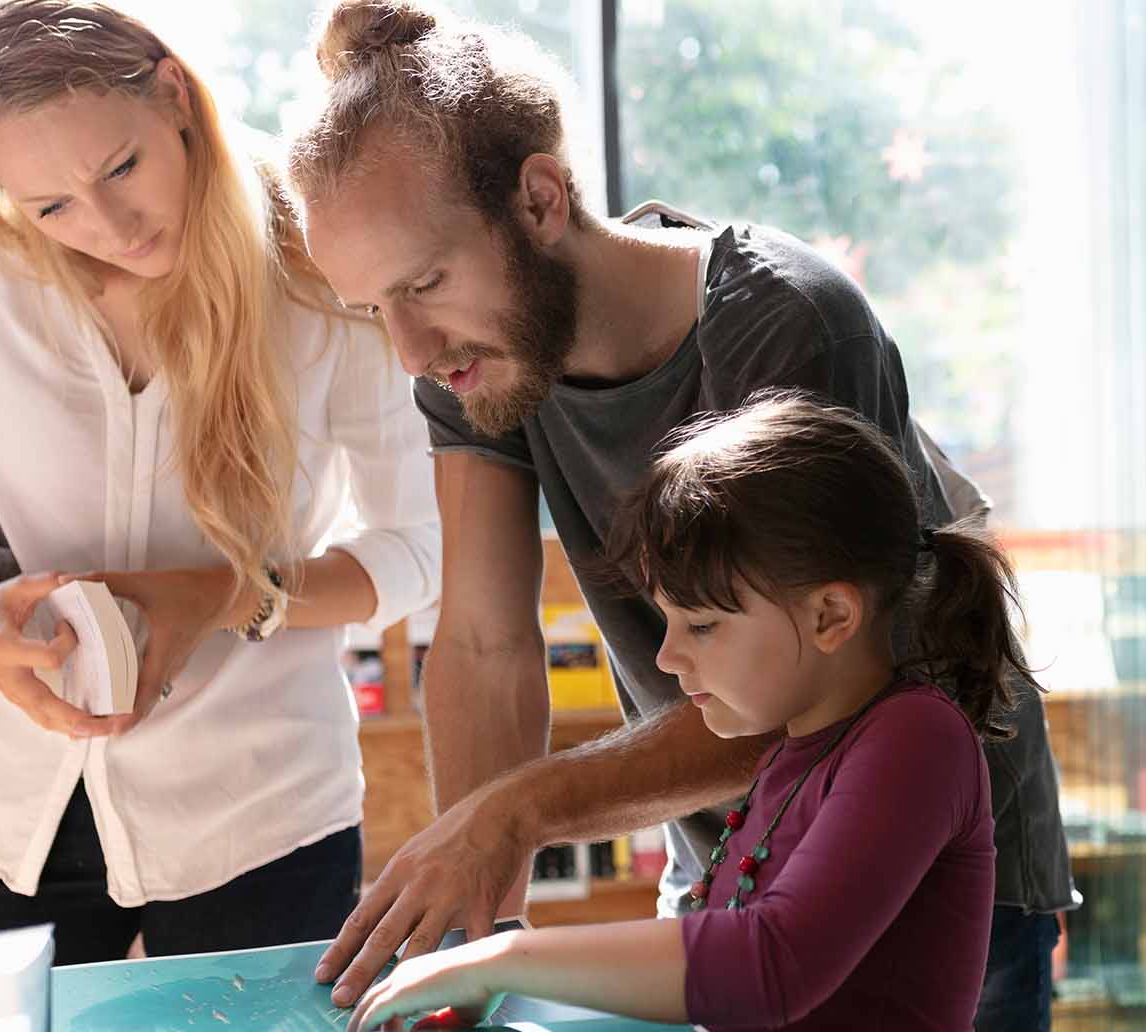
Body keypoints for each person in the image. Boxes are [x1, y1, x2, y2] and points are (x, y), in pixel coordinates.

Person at [288, 3, 1073, 1027]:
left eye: (426, 282)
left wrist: (513, 815)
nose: (408, 349)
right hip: (728, 871)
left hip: (920, 881)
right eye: (372, 307)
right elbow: (484, 645)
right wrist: (473, 935)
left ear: (538, 198)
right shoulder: (467, 362)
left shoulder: (780, 322)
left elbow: (808, 687)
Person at [0, 0, 441, 963]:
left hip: (259, 812)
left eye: (121, 168)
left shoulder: (321, 250)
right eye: (50, 207)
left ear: (174, 92)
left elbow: (417, 552)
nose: (107, 226)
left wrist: (225, 599)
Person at [350, 393, 1010, 1030]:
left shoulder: (916, 740)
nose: (666, 658)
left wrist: (501, 961)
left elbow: (770, 965)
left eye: (700, 626)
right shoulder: (791, 744)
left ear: (831, 616)